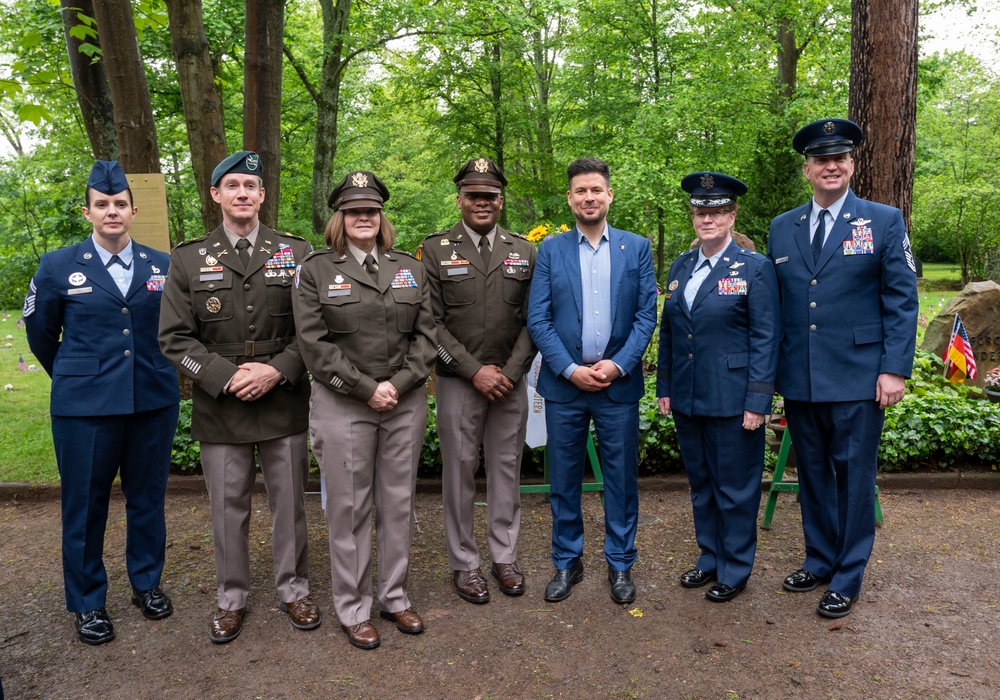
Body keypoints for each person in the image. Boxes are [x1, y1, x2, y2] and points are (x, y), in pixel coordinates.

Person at [158, 151, 319, 643]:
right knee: (228, 506)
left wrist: (276, 371)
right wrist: (227, 378)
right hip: (220, 401)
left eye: (251, 185)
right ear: (216, 195)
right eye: (232, 186)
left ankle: (294, 589)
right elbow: (173, 338)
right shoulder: (187, 257)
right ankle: (231, 597)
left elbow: (313, 327)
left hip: (281, 395)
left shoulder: (296, 251)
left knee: (289, 502)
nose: (242, 194)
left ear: (263, 195)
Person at [24, 160, 180, 645]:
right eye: (101, 204)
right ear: (88, 212)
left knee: (148, 498)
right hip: (85, 409)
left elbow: (174, 332)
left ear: (133, 211)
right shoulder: (58, 266)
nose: (111, 211)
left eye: (119, 204)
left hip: (151, 400)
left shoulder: (162, 265)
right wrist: (79, 377)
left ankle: (146, 583)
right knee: (85, 506)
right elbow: (41, 334)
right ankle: (89, 602)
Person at [767, 119, 918, 618]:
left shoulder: (883, 220)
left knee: (853, 476)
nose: (831, 167)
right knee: (811, 474)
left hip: (858, 375)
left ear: (851, 165)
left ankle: (848, 575)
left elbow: (901, 299)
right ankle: (820, 557)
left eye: (840, 159)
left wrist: (894, 368)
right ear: (807, 169)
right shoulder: (782, 226)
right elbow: (777, 305)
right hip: (802, 376)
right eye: (821, 160)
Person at [291, 171, 436, 650]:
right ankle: (353, 607)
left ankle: (394, 596)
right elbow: (314, 345)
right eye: (354, 211)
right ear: (341, 218)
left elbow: (427, 336)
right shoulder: (315, 270)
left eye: (371, 210)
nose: (364, 218)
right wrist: (365, 389)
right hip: (342, 403)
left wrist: (394, 386)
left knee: (397, 502)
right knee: (349, 508)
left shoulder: (408, 268)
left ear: (381, 216)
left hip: (403, 402)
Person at [527, 157, 657, 605]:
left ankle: (620, 564)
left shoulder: (636, 248)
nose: (589, 197)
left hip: (617, 386)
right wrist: (570, 369)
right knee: (564, 479)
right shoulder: (551, 251)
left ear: (609, 195)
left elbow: (646, 316)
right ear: (570, 198)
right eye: (580, 191)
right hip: (566, 387)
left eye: (596, 190)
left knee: (621, 479)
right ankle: (567, 561)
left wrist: (618, 365)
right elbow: (538, 319)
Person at [416, 158, 536, 604]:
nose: (482, 203)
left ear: (500, 201)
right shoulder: (434, 249)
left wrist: (510, 370)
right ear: (460, 199)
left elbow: (533, 319)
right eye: (473, 196)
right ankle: (464, 563)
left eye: (490, 196)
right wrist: (473, 370)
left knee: (507, 469)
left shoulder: (524, 250)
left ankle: (504, 556)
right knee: (459, 472)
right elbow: (429, 321)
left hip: (511, 380)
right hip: (457, 381)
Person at [656, 172, 779, 603]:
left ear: (731, 214)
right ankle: (709, 556)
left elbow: (766, 337)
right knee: (702, 483)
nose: (707, 218)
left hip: (734, 398)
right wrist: (665, 387)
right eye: (699, 211)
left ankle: (735, 566)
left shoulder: (754, 268)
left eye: (716, 211)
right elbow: (669, 331)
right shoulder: (681, 265)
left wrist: (758, 399)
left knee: (736, 486)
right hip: (689, 397)